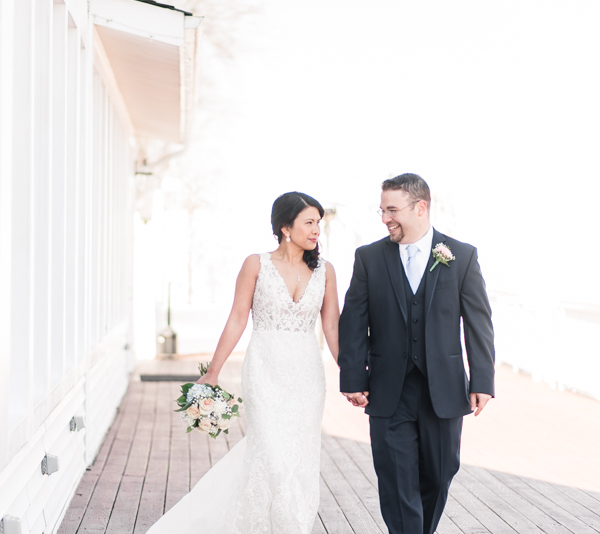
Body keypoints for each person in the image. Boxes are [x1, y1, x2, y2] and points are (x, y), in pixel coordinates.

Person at [146, 192, 340, 534]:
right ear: (285, 227)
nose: (316, 231)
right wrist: (213, 372)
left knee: (300, 456)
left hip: (308, 376)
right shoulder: (256, 264)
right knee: (271, 449)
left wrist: (352, 375)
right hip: (264, 371)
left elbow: (332, 326)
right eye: (309, 223)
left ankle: (289, 524)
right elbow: (237, 319)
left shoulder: (326, 271)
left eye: (318, 224)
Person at [339, 174, 495, 534]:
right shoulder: (369, 258)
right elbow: (353, 322)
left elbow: (478, 324)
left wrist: (482, 380)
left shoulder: (462, 256)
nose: (384, 218)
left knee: (440, 474)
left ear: (420, 208)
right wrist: (353, 377)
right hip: (388, 390)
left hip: (444, 388)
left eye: (392, 210)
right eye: (382, 210)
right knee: (396, 477)